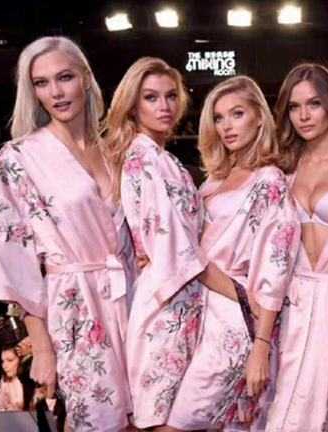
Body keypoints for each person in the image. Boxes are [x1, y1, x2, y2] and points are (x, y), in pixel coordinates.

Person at [0, 36, 135, 431]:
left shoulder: (117, 150)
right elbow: (15, 262)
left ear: (85, 78)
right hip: (75, 309)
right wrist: (43, 347)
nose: (55, 92)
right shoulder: (18, 158)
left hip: (133, 300)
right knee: (96, 421)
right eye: (42, 82)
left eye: (65, 77)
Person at [103, 56, 239, 430]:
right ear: (133, 105)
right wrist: (240, 295)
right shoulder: (144, 159)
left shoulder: (162, 158)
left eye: (170, 96)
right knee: (162, 418)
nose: (164, 106)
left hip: (181, 295)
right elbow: (177, 250)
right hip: (166, 299)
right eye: (151, 97)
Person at [167, 76, 300, 431]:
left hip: (235, 319)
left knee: (179, 423)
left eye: (237, 114)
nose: (226, 126)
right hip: (197, 313)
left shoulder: (269, 180)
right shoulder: (213, 179)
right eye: (219, 117)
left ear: (259, 117)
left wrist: (261, 345)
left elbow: (276, 268)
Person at [266, 63, 328, 432]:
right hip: (293, 303)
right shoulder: (284, 167)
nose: (303, 116)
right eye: (294, 107)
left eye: (314, 104)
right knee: (284, 410)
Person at [0, 346, 36, 411]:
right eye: (3, 361)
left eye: (10, 360)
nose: (4, 366)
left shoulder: (36, 383)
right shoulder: (4, 382)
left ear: (22, 361)